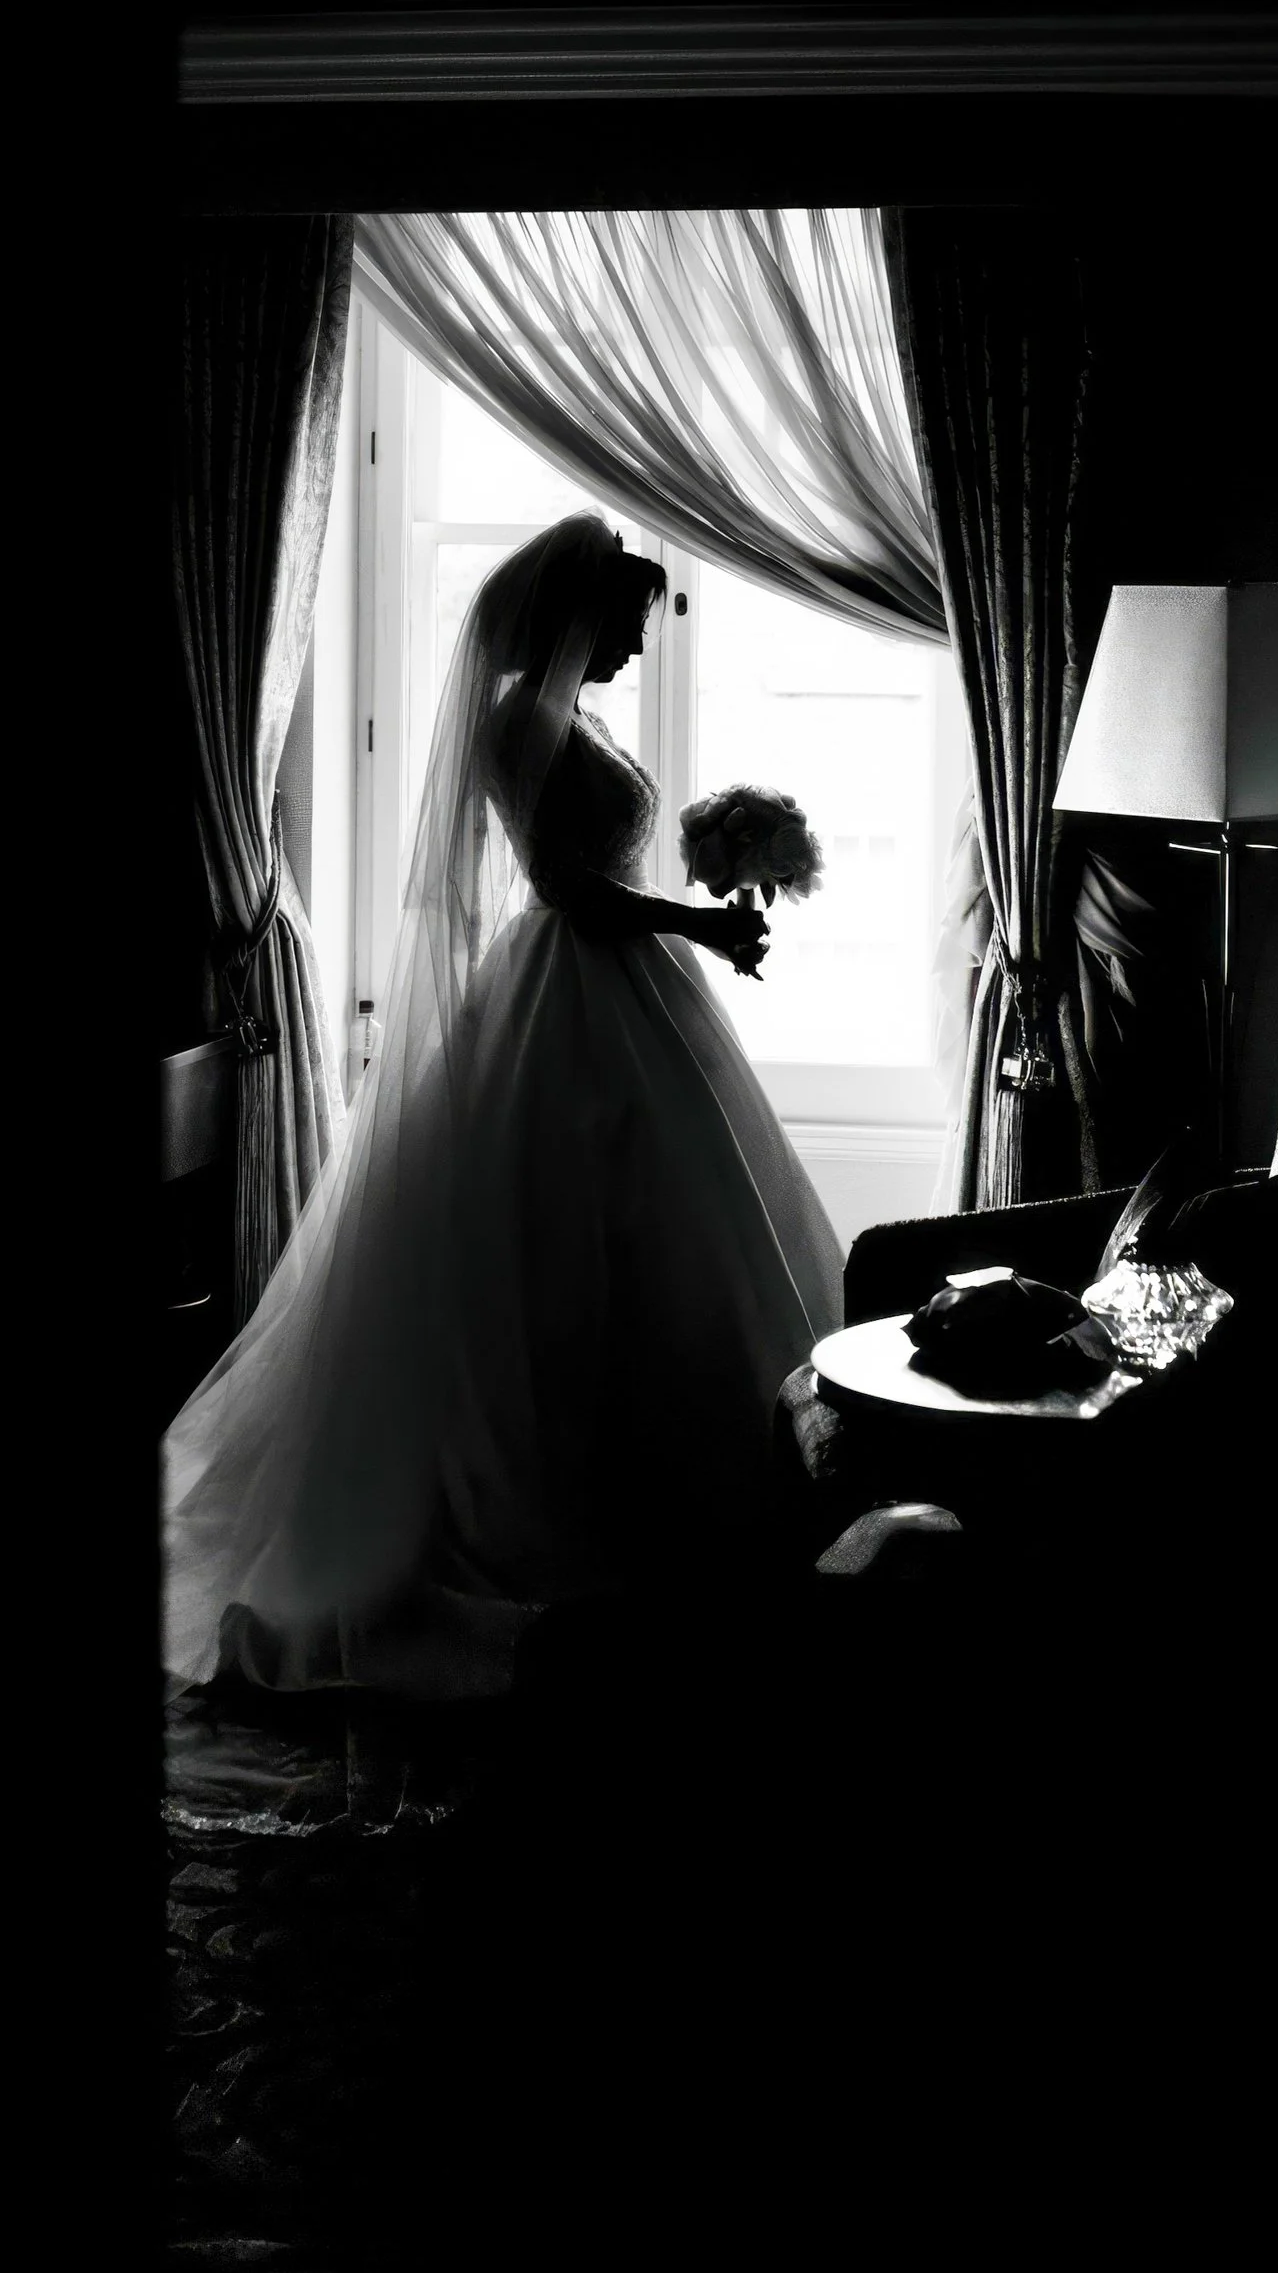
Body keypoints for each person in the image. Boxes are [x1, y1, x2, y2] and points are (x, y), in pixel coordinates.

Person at [163, 513, 846, 1704]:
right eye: (630, 622)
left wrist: (705, 871)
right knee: (560, 1256)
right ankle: (561, 1511)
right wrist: (693, 922)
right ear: (577, 613)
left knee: (675, 1240)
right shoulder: (512, 721)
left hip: (629, 994)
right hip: (565, 999)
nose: (637, 646)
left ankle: (702, 1489)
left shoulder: (571, 719)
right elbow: (568, 885)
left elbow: (611, 860)